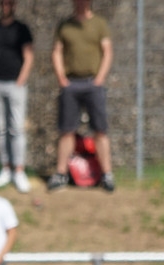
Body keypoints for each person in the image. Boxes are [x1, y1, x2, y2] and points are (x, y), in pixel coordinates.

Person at [47, 0, 113, 194]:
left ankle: (107, 174)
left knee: (100, 130)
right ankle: (61, 174)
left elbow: (107, 51)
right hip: (71, 84)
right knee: (66, 130)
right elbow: (57, 52)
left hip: (93, 83)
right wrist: (61, 78)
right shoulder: (65, 25)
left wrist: (100, 78)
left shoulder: (99, 23)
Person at [0, 0, 33, 194]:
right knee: (1, 129)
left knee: (16, 128)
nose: (6, 6)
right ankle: (6, 168)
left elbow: (29, 56)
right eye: (3, 3)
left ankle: (19, 170)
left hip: (15, 84)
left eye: (9, 3)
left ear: (14, 5)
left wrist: (21, 80)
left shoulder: (22, 29)